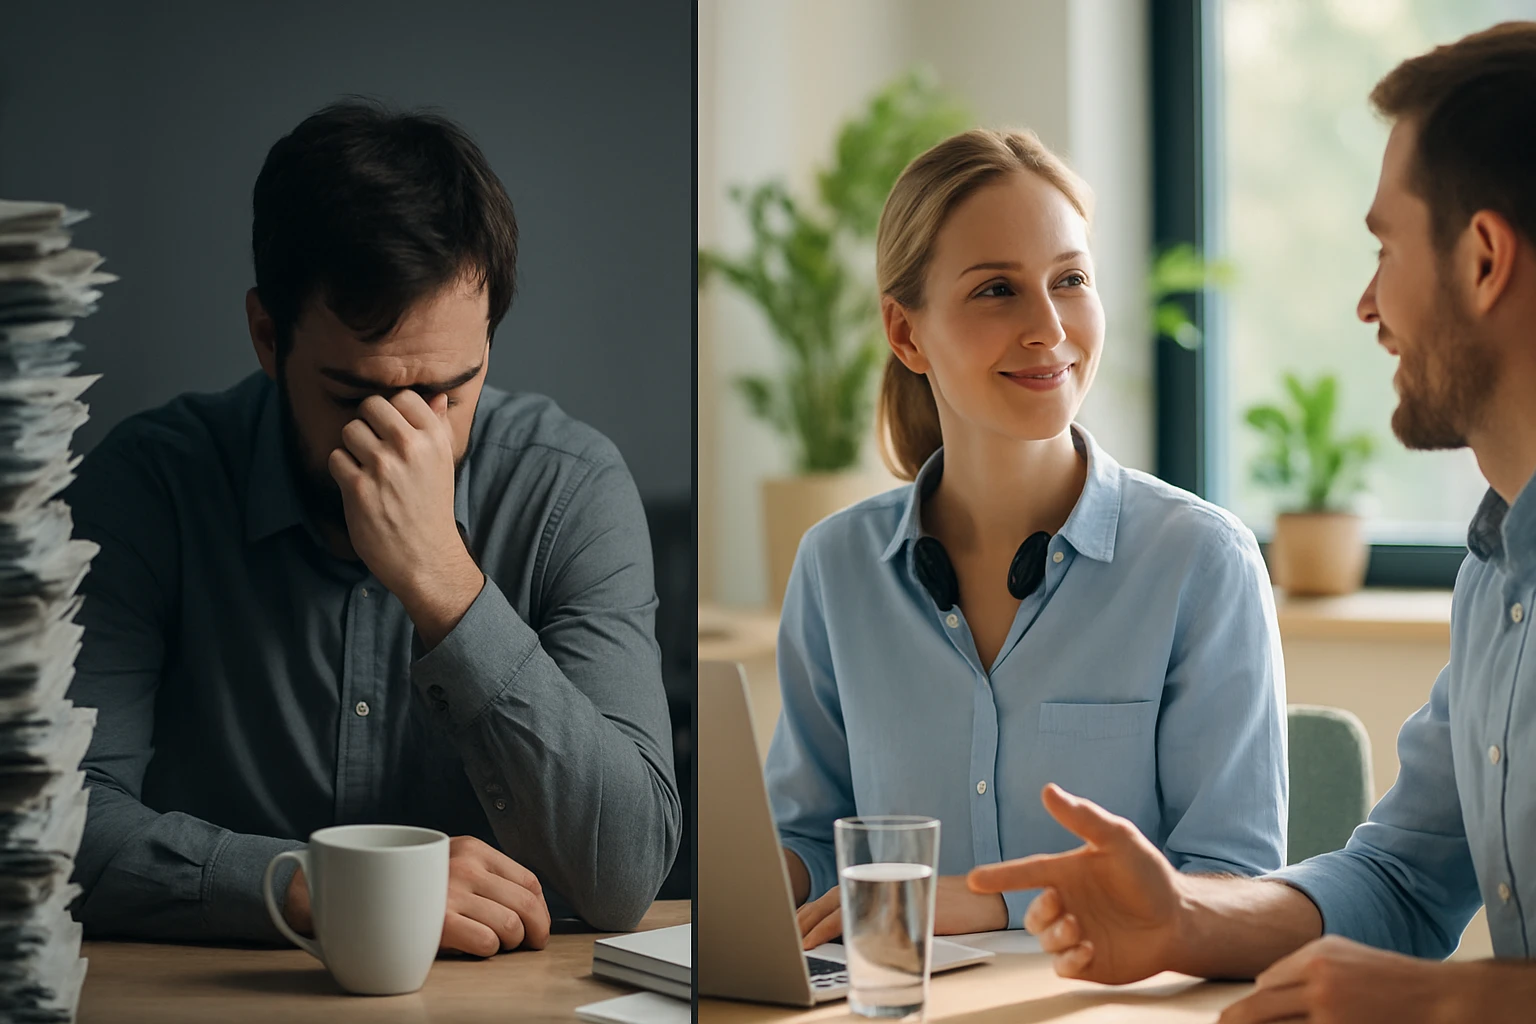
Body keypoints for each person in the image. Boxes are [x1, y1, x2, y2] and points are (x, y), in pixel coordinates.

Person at [967, 21, 1536, 1023]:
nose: (1367, 302)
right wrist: (1185, 917)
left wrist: (1444, 1003)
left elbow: (1421, 966)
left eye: (1384, 247)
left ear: (1484, 258)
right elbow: (1401, 880)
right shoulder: (1497, 575)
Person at [66, 101, 680, 955]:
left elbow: (626, 875)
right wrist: (322, 886)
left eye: (447, 391)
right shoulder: (150, 486)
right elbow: (48, 831)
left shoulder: (568, 489)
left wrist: (444, 582)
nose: (406, 439)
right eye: (357, 397)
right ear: (266, 335)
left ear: (489, 343)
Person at [765, 127, 1289, 949]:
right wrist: (753, 873)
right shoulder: (836, 567)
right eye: (997, 291)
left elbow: (1231, 879)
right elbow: (813, 840)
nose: (1049, 326)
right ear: (906, 335)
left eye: (1070, 280)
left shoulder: (1199, 563)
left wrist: (989, 901)